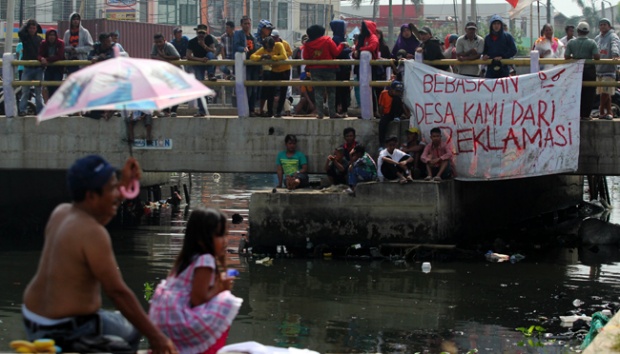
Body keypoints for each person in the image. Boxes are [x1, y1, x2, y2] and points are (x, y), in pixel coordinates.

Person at [21, 155, 177, 354]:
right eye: (112, 188)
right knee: (132, 332)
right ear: (91, 196)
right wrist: (158, 338)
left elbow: (97, 216)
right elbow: (118, 293)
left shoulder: (61, 212)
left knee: (129, 324)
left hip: (32, 318)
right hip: (64, 328)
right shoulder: (93, 233)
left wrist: (124, 184)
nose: (117, 195)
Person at [149, 208, 242, 354]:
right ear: (201, 239)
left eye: (225, 235)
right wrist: (221, 288)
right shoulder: (206, 259)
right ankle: (209, 349)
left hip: (163, 315)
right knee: (227, 301)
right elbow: (198, 299)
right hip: (178, 317)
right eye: (219, 235)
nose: (225, 241)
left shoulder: (186, 258)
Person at [303, 24, 348, 119]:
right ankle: (332, 113)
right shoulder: (327, 40)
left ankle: (320, 114)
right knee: (331, 92)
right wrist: (342, 45)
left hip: (315, 70)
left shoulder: (307, 44)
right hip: (329, 69)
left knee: (318, 92)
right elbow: (336, 52)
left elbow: (306, 57)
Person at [565, 22, 600, 120]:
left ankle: (576, 114)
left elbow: (566, 56)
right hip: (589, 71)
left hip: (576, 70)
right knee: (589, 93)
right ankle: (585, 115)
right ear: (587, 32)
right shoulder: (592, 43)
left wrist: (575, 57)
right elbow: (597, 57)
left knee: (576, 92)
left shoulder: (571, 42)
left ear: (578, 31)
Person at [250, 36, 290, 117]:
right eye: (267, 48)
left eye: (270, 47)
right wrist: (261, 57)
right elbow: (252, 56)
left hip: (285, 69)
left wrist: (272, 57)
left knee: (283, 91)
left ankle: (278, 112)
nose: (269, 50)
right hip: (275, 70)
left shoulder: (279, 45)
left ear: (273, 45)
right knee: (270, 91)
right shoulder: (263, 50)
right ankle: (270, 112)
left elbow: (284, 56)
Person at [188, 24, 217, 117]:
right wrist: (200, 60)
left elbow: (213, 51)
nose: (201, 35)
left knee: (209, 55)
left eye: (203, 33)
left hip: (208, 62)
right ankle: (202, 110)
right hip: (198, 64)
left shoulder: (209, 39)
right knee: (200, 87)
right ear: (196, 32)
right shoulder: (192, 42)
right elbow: (188, 56)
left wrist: (204, 45)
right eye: (199, 32)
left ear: (206, 33)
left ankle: (211, 74)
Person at [594, 18, 620, 120]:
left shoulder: (613, 36)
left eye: (605, 24)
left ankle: (601, 111)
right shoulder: (597, 38)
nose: (603, 26)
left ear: (609, 26)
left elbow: (615, 46)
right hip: (599, 69)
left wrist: (615, 54)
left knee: (605, 91)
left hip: (609, 69)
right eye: (601, 25)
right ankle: (609, 112)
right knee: (605, 92)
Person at [233, 16, 259, 116]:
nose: (247, 25)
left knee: (254, 89)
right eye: (245, 24)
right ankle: (247, 110)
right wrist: (243, 49)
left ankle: (252, 109)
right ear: (241, 25)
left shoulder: (253, 38)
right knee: (247, 88)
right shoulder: (238, 34)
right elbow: (236, 46)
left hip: (254, 66)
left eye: (248, 23)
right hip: (245, 65)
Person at [18, 19, 44, 116]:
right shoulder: (25, 38)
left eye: (34, 28)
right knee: (25, 91)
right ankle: (22, 110)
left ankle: (40, 111)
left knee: (38, 92)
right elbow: (20, 32)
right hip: (28, 67)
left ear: (36, 29)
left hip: (38, 68)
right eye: (30, 28)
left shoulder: (40, 40)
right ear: (28, 29)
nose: (32, 30)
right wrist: (27, 23)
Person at [330, 19, 353, 117]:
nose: (345, 30)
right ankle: (339, 110)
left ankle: (344, 110)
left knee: (344, 89)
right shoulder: (336, 39)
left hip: (344, 67)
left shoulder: (342, 38)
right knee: (339, 89)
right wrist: (349, 49)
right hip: (340, 68)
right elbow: (338, 52)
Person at [378, 81, 410, 148]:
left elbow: (402, 105)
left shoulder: (397, 97)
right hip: (387, 114)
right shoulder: (384, 93)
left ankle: (397, 117)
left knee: (396, 99)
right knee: (382, 124)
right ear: (391, 90)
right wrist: (381, 115)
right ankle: (381, 144)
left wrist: (407, 115)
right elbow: (381, 105)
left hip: (396, 112)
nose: (398, 93)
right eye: (397, 91)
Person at [38, 28, 65, 100]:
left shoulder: (60, 43)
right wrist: (41, 59)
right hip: (48, 68)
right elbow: (39, 54)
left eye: (53, 35)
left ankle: (57, 106)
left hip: (58, 68)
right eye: (50, 35)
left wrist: (46, 59)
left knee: (57, 87)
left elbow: (60, 56)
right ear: (47, 36)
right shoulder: (43, 43)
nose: (52, 37)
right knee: (48, 88)